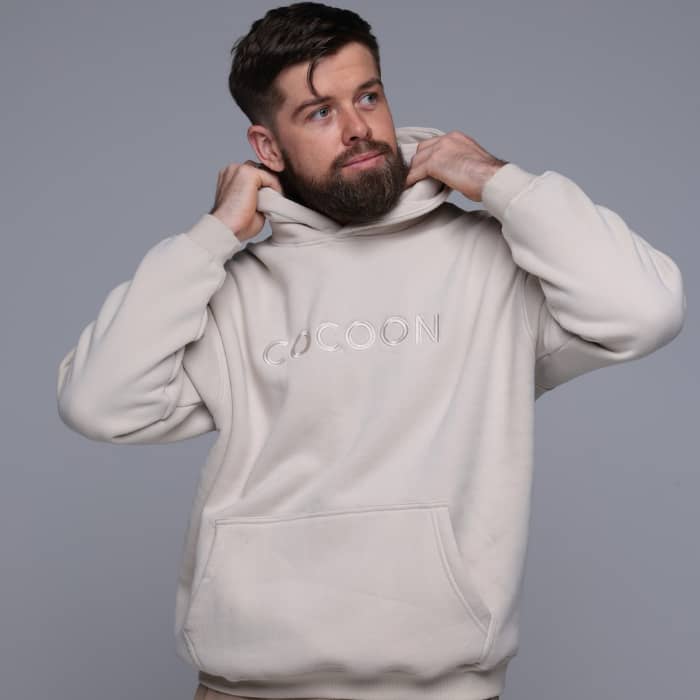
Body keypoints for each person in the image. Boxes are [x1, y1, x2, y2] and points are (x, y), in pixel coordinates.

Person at [55, 3, 686, 700]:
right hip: (246, 688)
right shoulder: (231, 291)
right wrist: (210, 239)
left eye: (368, 97)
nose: (357, 128)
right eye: (319, 112)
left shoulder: (494, 264)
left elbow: (645, 310)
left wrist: (498, 180)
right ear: (268, 147)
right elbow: (98, 402)